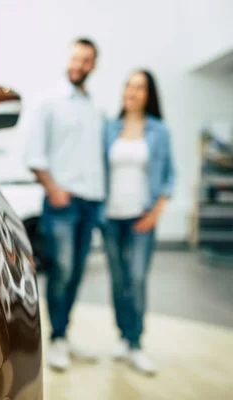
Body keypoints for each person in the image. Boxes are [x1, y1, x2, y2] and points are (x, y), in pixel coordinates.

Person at [26, 38, 105, 371]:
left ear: (93, 65)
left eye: (87, 60)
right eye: (76, 58)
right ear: (68, 60)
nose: (80, 65)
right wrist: (54, 189)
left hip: (90, 204)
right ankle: (56, 338)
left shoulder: (95, 108)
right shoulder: (49, 102)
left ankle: (63, 334)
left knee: (76, 275)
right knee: (62, 272)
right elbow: (33, 154)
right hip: (61, 203)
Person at [102, 70, 175, 375]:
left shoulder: (159, 130)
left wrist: (155, 213)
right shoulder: (108, 128)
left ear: (148, 95)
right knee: (118, 281)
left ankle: (136, 343)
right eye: (128, 85)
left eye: (140, 87)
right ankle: (123, 336)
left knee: (137, 279)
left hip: (142, 217)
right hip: (110, 218)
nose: (132, 91)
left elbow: (171, 175)